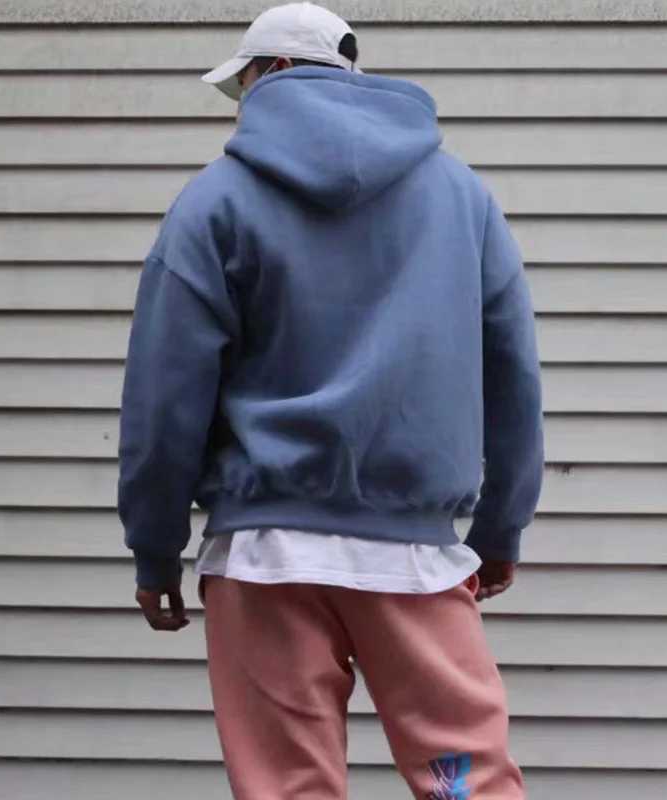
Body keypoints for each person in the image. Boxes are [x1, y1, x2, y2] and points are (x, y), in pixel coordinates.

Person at [118, 3, 544, 798]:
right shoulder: (462, 199)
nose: (241, 102)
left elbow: (164, 396)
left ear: (276, 71)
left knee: (288, 789)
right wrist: (500, 531)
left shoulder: (214, 202)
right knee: (464, 783)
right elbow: (513, 376)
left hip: (265, 561)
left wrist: (154, 545)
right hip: (413, 563)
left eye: (243, 81)